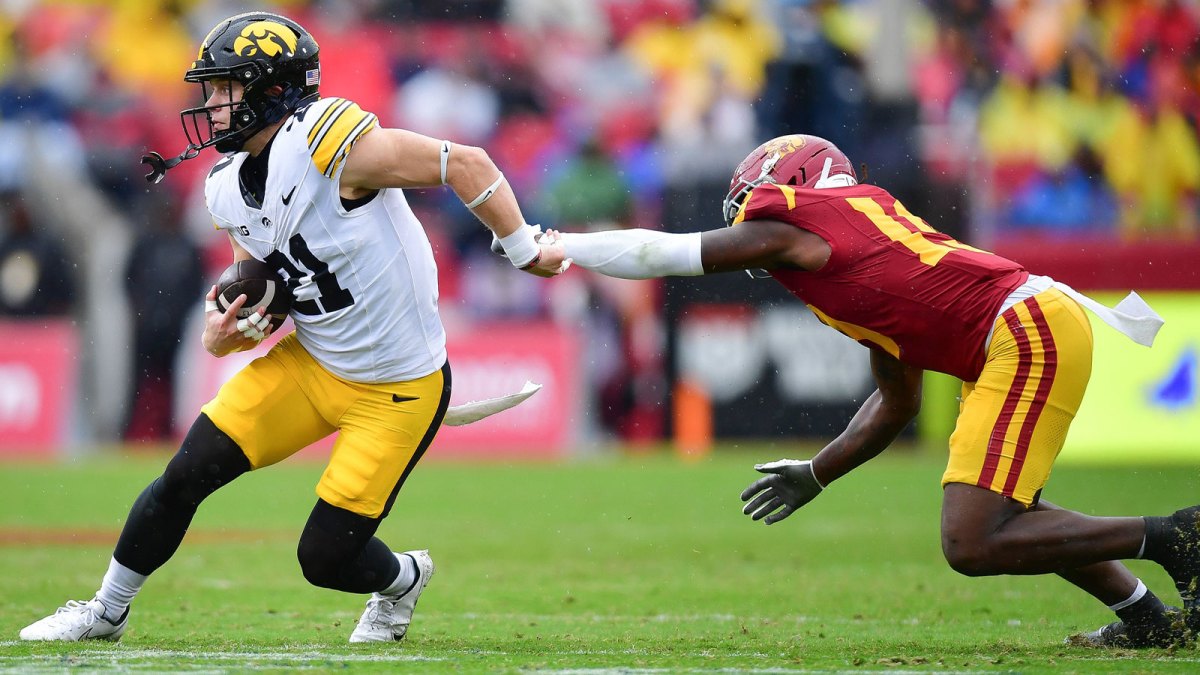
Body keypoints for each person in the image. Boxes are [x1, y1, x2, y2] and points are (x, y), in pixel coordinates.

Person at [20, 11, 565, 644]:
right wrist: (227, 331)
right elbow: (267, 293)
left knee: (325, 560)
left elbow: (465, 163)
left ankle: (404, 578)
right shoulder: (224, 188)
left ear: (272, 90)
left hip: (397, 389)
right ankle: (104, 611)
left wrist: (522, 246)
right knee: (185, 474)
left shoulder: (327, 141)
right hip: (313, 365)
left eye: (226, 88)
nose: (212, 105)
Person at [537, 133, 1199, 648]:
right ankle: (1145, 616)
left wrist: (559, 244)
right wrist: (816, 474)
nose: (742, 225)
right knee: (1001, 507)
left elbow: (661, 254)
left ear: (787, 184)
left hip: (1024, 333)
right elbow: (898, 401)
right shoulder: (856, 237)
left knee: (973, 539)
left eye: (745, 206)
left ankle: (1175, 536)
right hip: (1020, 331)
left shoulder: (800, 224)